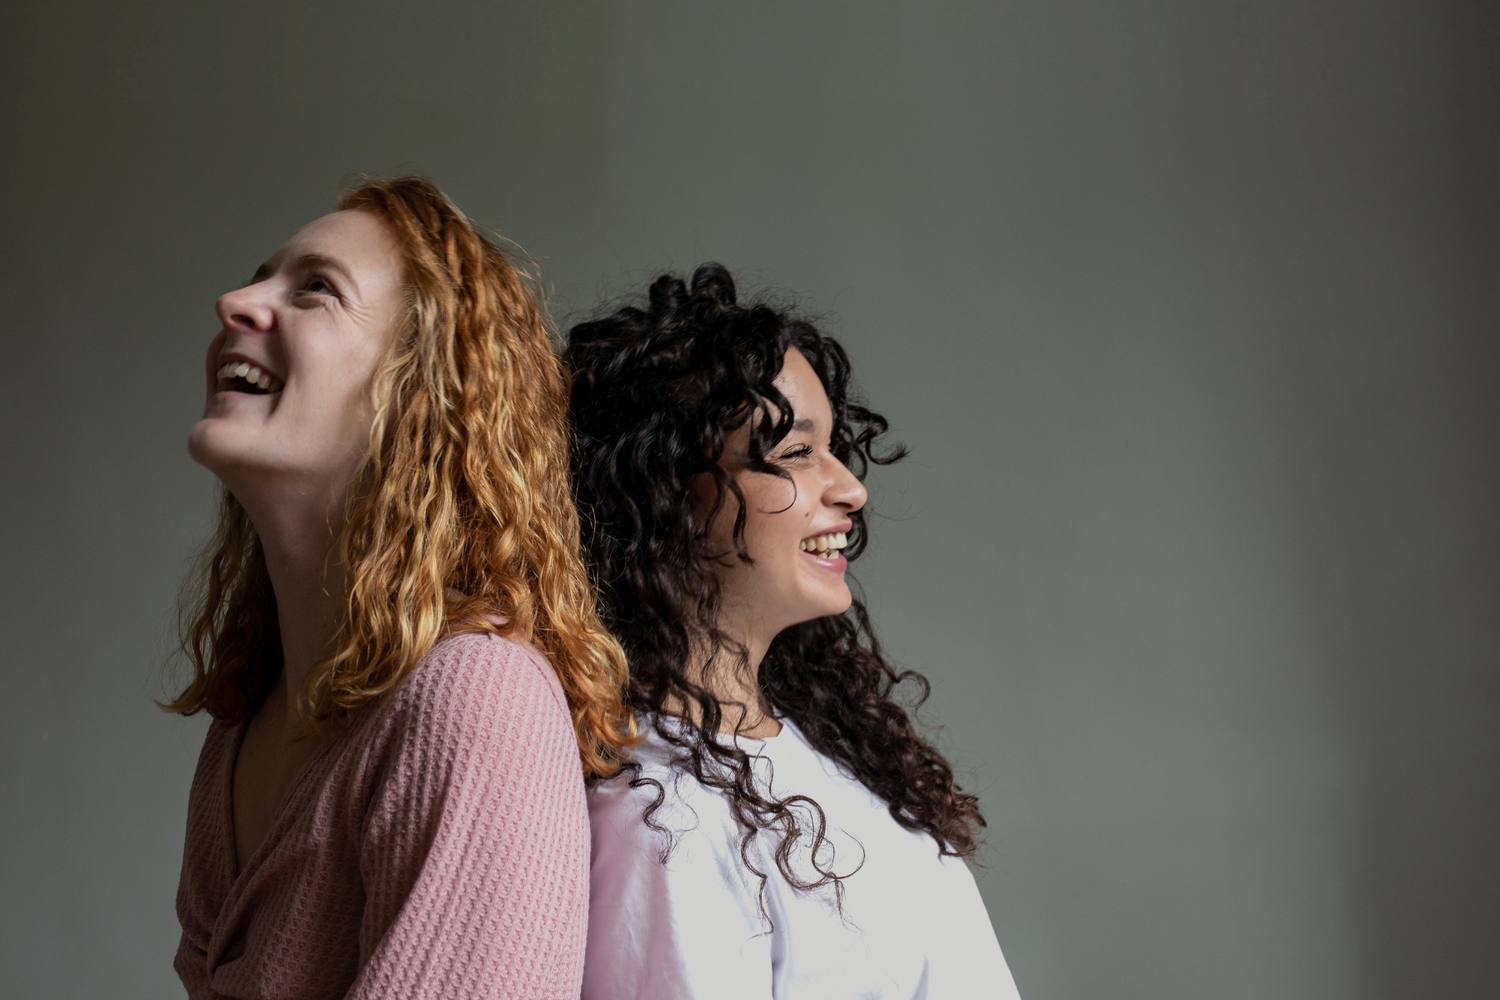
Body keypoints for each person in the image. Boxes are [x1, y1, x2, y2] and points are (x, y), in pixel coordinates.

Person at [164, 176, 632, 999]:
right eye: (259, 275)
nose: (234, 302)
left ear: (419, 391)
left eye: (317, 289)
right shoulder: (244, 725)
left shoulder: (479, 700)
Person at [566, 263, 1024, 999]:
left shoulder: (821, 749)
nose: (850, 488)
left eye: (834, 447)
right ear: (667, 497)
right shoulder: (662, 820)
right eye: (795, 452)